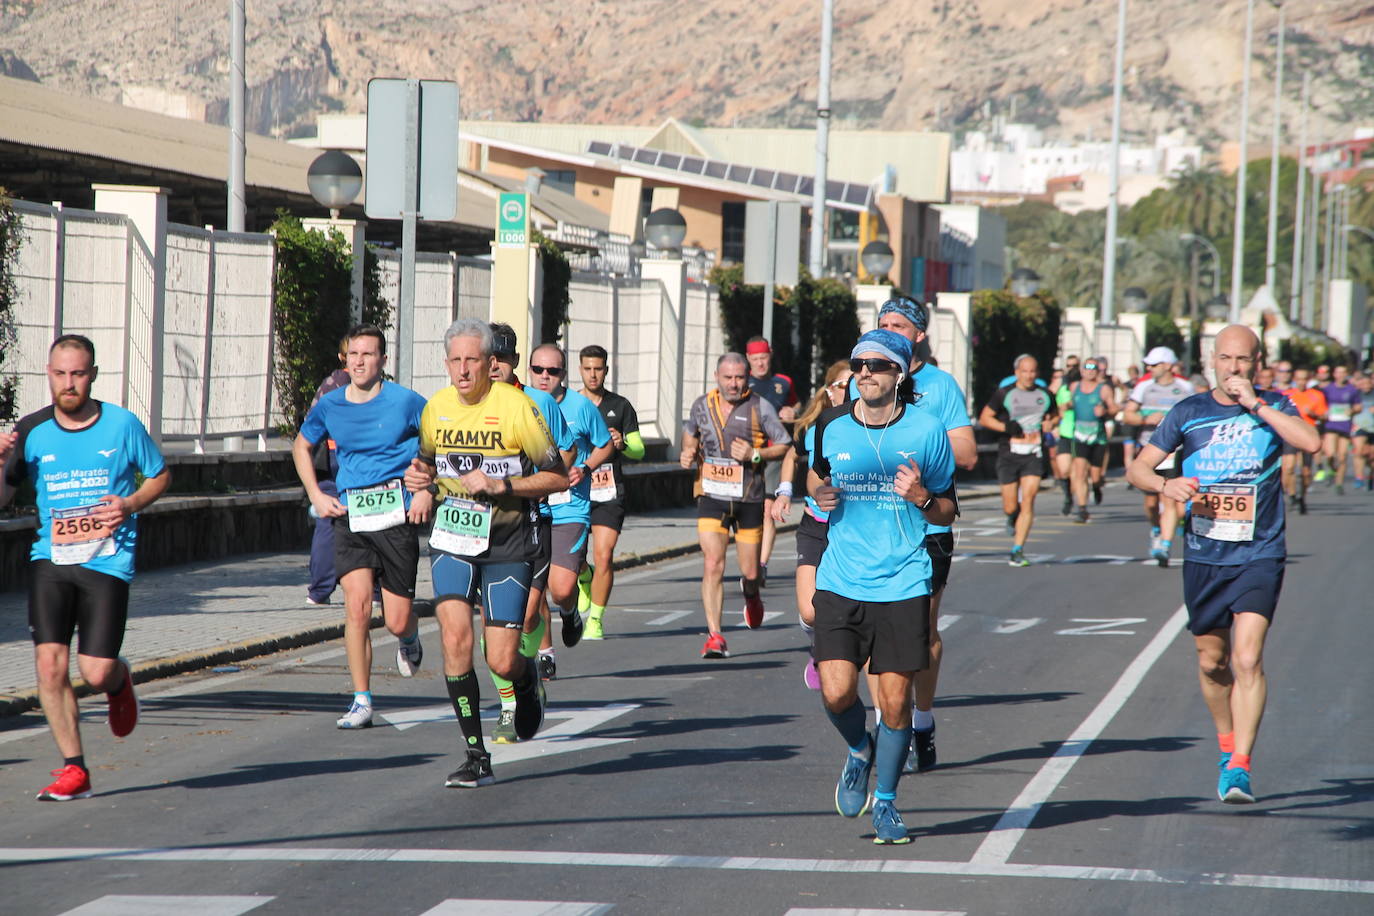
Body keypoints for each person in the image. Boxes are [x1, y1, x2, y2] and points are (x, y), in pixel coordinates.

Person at [1127, 325, 1319, 804]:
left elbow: (1311, 443)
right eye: (1227, 359)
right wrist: (1164, 486)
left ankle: (1240, 767)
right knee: (1212, 661)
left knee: (1247, 657)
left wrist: (1257, 404)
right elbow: (1138, 467)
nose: (1235, 368)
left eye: (1244, 360)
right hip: (1204, 553)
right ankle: (1227, 744)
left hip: (1260, 550)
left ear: (1258, 362)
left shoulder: (1276, 406)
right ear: (1212, 359)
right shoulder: (1189, 412)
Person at [1, 334, 170, 801]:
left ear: (92, 375)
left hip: (108, 559)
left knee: (94, 671)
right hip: (50, 559)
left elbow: (160, 474)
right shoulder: (30, 432)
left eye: (78, 374)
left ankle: (118, 680)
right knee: (49, 665)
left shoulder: (121, 425)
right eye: (60, 374)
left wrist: (130, 503)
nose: (68, 383)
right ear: (48, 374)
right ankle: (74, 768)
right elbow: (4, 498)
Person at [405, 319, 569, 787]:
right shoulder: (436, 407)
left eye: (471, 360)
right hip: (453, 538)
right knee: (455, 639)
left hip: (508, 541)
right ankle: (476, 754)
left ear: (489, 363)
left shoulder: (517, 408)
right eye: (454, 361)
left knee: (500, 659)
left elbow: (557, 477)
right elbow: (426, 463)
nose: (462, 370)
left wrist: (505, 485)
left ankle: (525, 681)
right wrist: (420, 485)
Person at [809, 329, 957, 844]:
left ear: (900, 374)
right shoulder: (831, 427)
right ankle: (857, 750)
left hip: (903, 580)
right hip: (841, 578)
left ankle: (887, 805)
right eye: (858, 364)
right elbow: (816, 475)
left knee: (894, 705)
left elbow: (946, 508)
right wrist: (818, 494)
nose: (865, 372)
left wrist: (920, 496)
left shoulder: (926, 431)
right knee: (836, 693)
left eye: (877, 364)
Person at [855, 297, 977, 775]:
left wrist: (915, 437)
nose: (889, 332)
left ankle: (919, 721)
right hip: (869, 522)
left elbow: (965, 454)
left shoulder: (940, 387)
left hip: (925, 518)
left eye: (899, 326)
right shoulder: (861, 377)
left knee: (919, 629)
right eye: (882, 325)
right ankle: (892, 724)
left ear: (919, 335)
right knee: (870, 630)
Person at [293, 325, 428, 730]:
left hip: (396, 517)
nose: (359, 361)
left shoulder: (405, 401)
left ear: (383, 360)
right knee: (356, 607)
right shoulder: (331, 404)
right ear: (344, 358)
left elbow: (437, 441)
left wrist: (426, 489)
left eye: (368, 354)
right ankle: (361, 699)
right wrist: (316, 495)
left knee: (397, 619)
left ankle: (409, 638)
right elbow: (302, 445)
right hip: (352, 517)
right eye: (353, 354)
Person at [483, 324, 574, 742]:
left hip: (531, 524)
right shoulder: (465, 405)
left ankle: (516, 695)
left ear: (514, 361)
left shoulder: (536, 402)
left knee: (523, 616)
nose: (495, 365)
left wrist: (541, 477)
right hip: (478, 530)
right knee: (489, 628)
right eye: (489, 357)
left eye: (502, 358)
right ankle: (509, 699)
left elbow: (568, 450)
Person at [680, 353, 791, 658]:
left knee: (750, 571)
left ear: (747, 378)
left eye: (739, 377)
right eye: (727, 377)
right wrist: (687, 453)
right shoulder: (702, 405)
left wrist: (755, 454)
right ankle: (715, 635)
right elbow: (690, 435)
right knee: (713, 563)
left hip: (749, 499)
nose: (733, 383)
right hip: (711, 495)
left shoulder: (760, 407)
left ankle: (752, 595)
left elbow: (784, 444)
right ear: (716, 375)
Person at [526, 343, 614, 670]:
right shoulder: (520, 404)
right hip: (532, 507)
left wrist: (586, 467)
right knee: (534, 590)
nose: (545, 377)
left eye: (553, 371)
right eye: (539, 370)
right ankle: (545, 654)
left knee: (560, 588)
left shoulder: (581, 406)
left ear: (564, 374)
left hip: (569, 508)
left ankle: (570, 609)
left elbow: (604, 446)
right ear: (529, 370)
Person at [770, 359, 851, 688]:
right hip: (816, 526)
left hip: (849, 529)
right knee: (809, 612)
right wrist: (784, 492)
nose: (851, 391)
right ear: (831, 390)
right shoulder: (817, 427)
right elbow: (793, 454)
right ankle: (818, 646)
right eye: (845, 385)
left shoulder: (869, 428)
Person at [576, 344, 646, 638]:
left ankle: (596, 620)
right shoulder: (568, 403)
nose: (593, 375)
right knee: (574, 558)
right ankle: (584, 577)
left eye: (598, 369)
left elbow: (640, 451)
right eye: (588, 369)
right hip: (575, 490)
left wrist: (623, 444)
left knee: (604, 555)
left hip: (608, 492)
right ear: (580, 369)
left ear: (606, 370)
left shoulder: (621, 405)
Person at [979, 354, 1057, 567]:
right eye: (1025, 371)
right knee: (1010, 505)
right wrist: (1006, 428)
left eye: (1033, 371)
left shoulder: (1045, 394)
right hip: (1009, 453)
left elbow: (1055, 415)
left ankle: (1017, 549)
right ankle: (1011, 516)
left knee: (1029, 500)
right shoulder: (1005, 393)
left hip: (1034, 453)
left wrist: (1051, 423)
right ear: (1017, 373)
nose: (1029, 375)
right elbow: (984, 418)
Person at [1122, 346, 1193, 565]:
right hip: (1149, 452)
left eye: (1154, 365)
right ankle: (1156, 528)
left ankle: (1165, 544)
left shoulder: (1185, 388)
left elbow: (1197, 415)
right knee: (1152, 504)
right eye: (1149, 365)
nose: (1149, 368)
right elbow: (1127, 415)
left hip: (1175, 452)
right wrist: (1145, 420)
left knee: (1169, 499)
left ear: (1167, 366)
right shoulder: (1144, 387)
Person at [745, 336, 798, 587]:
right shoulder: (741, 383)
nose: (760, 364)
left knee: (767, 510)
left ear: (771, 355)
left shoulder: (783, 382)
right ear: (748, 360)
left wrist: (793, 412)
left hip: (775, 452)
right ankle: (750, 559)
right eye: (755, 360)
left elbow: (796, 405)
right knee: (748, 511)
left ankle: (762, 565)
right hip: (745, 454)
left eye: (763, 358)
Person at [306, 335, 351, 606]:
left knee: (328, 522)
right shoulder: (361, 387)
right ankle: (381, 589)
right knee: (374, 518)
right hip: (345, 458)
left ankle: (319, 590)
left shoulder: (328, 384)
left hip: (327, 458)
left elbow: (310, 426)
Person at [1066, 357, 1117, 523]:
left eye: (1093, 368)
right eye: (1086, 368)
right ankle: (1082, 509)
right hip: (1079, 435)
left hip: (1098, 437)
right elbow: (1067, 403)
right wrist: (1065, 406)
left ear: (1097, 371)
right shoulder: (1074, 387)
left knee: (1095, 475)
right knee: (1079, 472)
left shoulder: (1104, 389)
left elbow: (1114, 408)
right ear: (1081, 370)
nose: (1089, 371)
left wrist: (1105, 412)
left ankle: (1096, 487)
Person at [1280, 368, 1325, 514]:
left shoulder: (1316, 395)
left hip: (1307, 435)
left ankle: (1302, 497)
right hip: (1291, 435)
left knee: (1305, 472)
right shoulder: (1287, 395)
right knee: (1289, 468)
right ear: (1294, 379)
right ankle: (1292, 494)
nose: (1301, 382)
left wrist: (1314, 414)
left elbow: (1324, 416)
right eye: (1298, 379)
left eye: (1304, 379)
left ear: (1308, 379)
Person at [1317, 364, 1362, 494]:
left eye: (1343, 372)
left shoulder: (1352, 389)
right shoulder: (1328, 389)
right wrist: (1323, 412)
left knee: (1342, 456)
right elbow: (1321, 404)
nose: (1340, 375)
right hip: (1331, 424)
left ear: (1346, 374)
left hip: (1345, 424)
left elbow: (1358, 406)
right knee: (1330, 454)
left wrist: (1352, 410)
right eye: (1338, 372)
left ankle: (1339, 483)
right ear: (1334, 374)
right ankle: (1331, 469)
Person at [1351, 372, 1374, 490]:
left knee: (1371, 455)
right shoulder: (1356, 395)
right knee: (1359, 452)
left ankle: (1371, 476)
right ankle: (1359, 477)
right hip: (1359, 426)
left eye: (1368, 383)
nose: (1366, 385)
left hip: (1372, 427)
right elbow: (1347, 409)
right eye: (1363, 383)